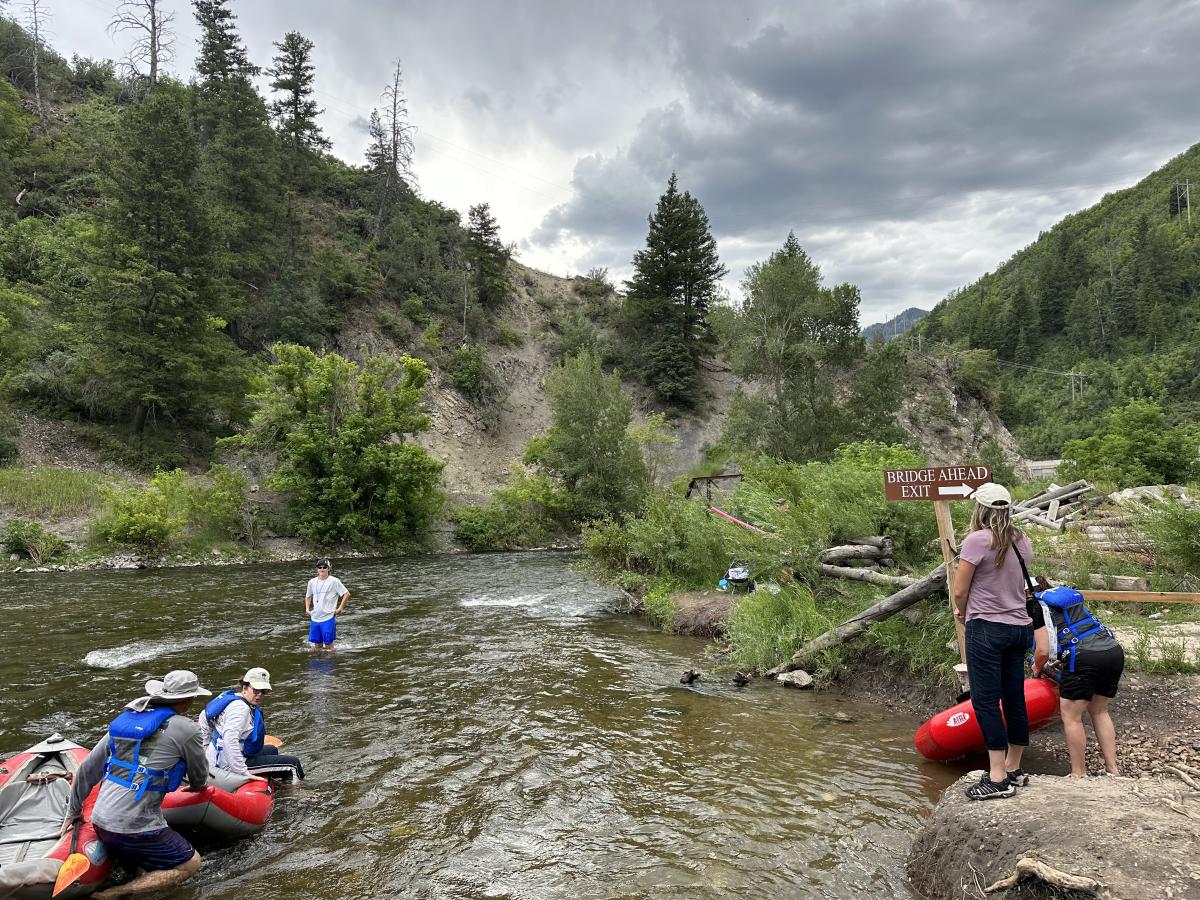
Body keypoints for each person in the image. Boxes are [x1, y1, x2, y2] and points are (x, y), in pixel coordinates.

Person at [61, 670, 211, 898]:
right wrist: (197, 786)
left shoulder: (126, 722)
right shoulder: (188, 729)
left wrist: (73, 811)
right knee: (191, 864)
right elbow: (200, 776)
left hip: (101, 820)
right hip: (134, 828)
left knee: (144, 854)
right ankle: (115, 893)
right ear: (189, 699)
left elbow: (87, 769)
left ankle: (136, 872)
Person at [952, 482, 1034, 800]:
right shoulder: (1021, 539)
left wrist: (961, 612)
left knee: (985, 700)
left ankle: (997, 777)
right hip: (1019, 628)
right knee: (1014, 698)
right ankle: (1014, 769)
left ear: (980, 509)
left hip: (986, 627)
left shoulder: (977, 540)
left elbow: (960, 590)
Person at [1028, 583, 1125, 778]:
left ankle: (1078, 774)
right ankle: (1113, 770)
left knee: (1071, 717)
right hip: (1112, 650)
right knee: (1099, 710)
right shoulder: (1066, 601)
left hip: (1083, 656)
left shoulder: (1036, 607)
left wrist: (1037, 669)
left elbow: (1042, 651)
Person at [197, 667, 305, 781]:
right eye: (256, 690)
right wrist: (242, 771)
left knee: (272, 750)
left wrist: (206, 746)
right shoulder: (240, 709)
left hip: (221, 756)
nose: (259, 695)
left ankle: (278, 784)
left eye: (264, 691)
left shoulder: (232, 697)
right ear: (245, 687)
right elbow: (229, 739)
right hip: (227, 765)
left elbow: (203, 716)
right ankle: (293, 796)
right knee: (293, 765)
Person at [306, 558, 349, 650]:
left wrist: (340, 608)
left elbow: (346, 594)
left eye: (324, 567)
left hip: (328, 617)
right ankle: (318, 660)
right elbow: (308, 596)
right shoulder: (312, 582)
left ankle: (329, 662)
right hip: (315, 617)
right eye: (319, 567)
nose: (322, 569)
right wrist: (307, 609)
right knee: (317, 644)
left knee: (328, 644)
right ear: (317, 569)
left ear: (329, 569)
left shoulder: (334, 581)